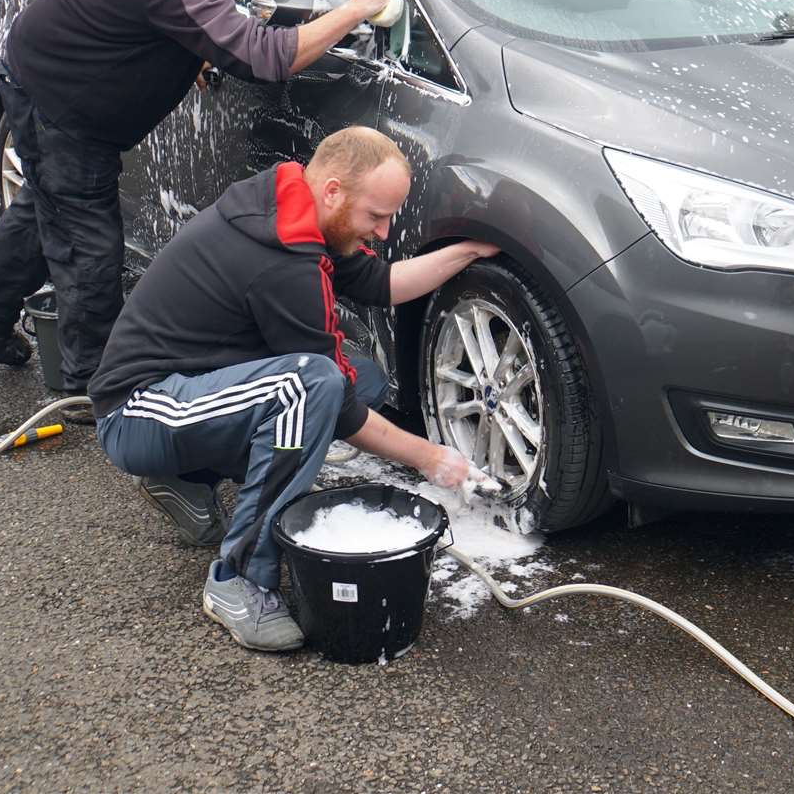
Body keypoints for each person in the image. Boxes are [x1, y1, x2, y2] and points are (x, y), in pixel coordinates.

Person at [0, 0, 402, 416]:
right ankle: (93, 389)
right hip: (59, 101)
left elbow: (183, 13)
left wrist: (198, 48)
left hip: (56, 84)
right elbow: (262, 57)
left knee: (51, 207)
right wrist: (358, 8)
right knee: (89, 248)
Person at [89, 127, 497, 652]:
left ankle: (188, 478)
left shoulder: (294, 206)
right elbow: (338, 408)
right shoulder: (280, 261)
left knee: (361, 376)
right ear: (333, 191)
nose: (382, 230)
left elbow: (378, 284)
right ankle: (238, 580)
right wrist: (431, 458)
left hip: (192, 391)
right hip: (139, 410)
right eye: (376, 216)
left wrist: (465, 253)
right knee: (310, 388)